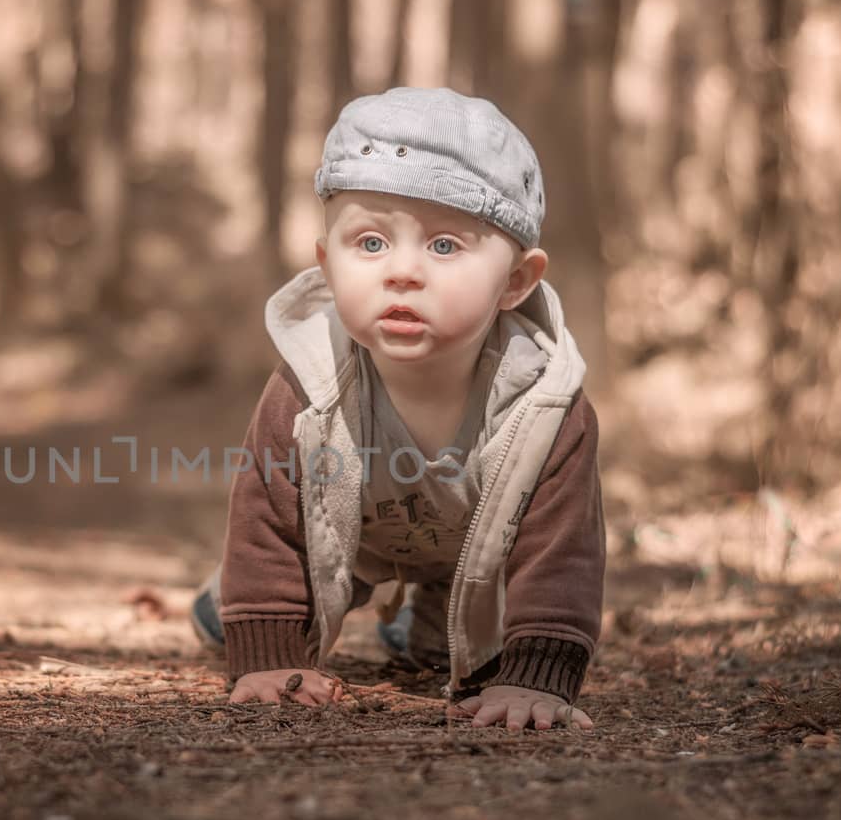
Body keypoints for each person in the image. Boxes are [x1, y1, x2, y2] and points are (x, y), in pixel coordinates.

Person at [191, 87, 605, 732]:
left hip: (475, 557)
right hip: (342, 548)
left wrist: (537, 679)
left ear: (516, 282)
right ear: (327, 266)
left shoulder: (546, 405)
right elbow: (267, 520)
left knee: (444, 655)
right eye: (371, 243)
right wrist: (264, 652)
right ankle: (216, 606)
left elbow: (561, 550)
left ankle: (418, 615)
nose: (402, 272)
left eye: (444, 246)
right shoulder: (309, 382)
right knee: (237, 617)